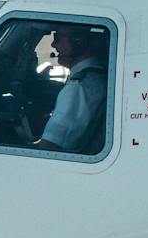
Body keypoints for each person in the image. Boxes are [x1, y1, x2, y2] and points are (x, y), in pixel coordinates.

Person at [35, 24, 109, 153]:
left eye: (57, 38)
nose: (53, 45)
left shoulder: (77, 88)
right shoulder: (97, 77)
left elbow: (49, 147)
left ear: (78, 41)